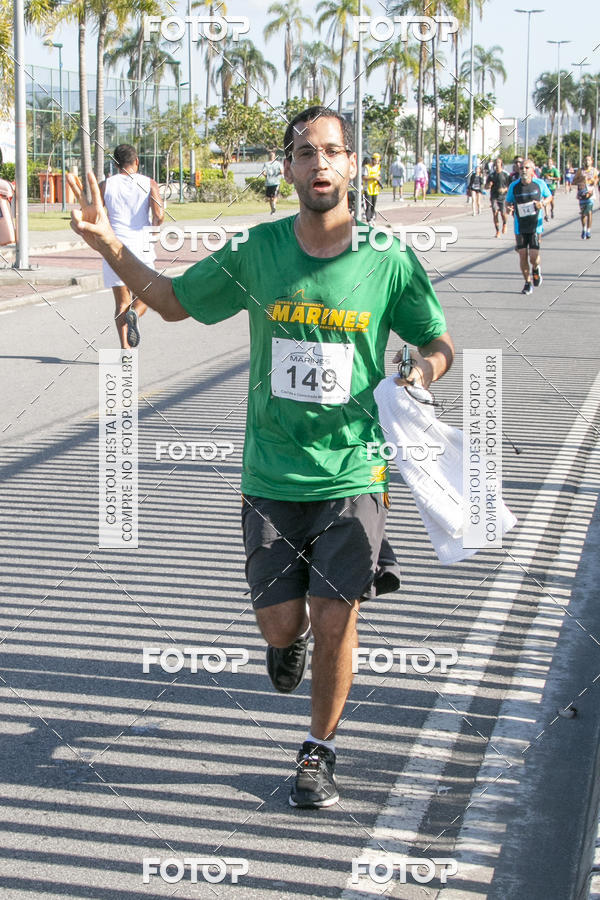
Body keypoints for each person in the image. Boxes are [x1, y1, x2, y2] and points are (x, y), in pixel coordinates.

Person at [67, 106, 454, 810]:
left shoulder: (388, 257)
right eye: (305, 153)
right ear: (288, 169)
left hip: (354, 470)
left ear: (352, 165)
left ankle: (319, 749)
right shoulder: (258, 250)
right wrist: (106, 245)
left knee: (337, 616)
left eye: (333, 151)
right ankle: (285, 643)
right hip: (271, 474)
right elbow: (174, 301)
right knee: (285, 624)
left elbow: (437, 340)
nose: (320, 164)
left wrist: (423, 370)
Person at [100, 144, 163, 348]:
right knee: (147, 295)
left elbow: (96, 216)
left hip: (114, 247)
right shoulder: (149, 183)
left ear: (116, 164)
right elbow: (159, 215)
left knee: (120, 302)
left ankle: (125, 351)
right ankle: (135, 313)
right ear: (136, 161)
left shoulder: (106, 185)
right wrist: (154, 228)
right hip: (141, 247)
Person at [505, 158, 552, 294]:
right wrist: (509, 209)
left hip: (535, 225)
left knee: (533, 257)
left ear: (532, 170)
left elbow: (549, 197)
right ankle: (527, 282)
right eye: (521, 168)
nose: (523, 170)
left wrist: (542, 203)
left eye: (526, 168)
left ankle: (536, 269)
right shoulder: (514, 186)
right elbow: (508, 202)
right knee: (522, 255)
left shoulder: (539, 184)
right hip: (520, 225)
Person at [573, 155, 599, 239]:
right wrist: (581, 179)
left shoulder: (594, 170)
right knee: (583, 213)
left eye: (588, 160)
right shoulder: (580, 170)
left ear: (591, 161)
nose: (587, 162)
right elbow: (574, 181)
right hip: (582, 193)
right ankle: (584, 229)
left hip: (590, 192)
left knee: (590, 212)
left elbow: (597, 179)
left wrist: (594, 182)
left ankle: (588, 231)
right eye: (586, 160)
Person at [486, 157, 511, 237]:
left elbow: (510, 186)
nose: (497, 164)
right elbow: (486, 187)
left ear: (501, 164)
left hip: (503, 197)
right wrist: (488, 185)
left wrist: (504, 189)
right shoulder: (491, 175)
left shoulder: (505, 174)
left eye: (499, 162)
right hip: (494, 196)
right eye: (496, 163)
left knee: (503, 213)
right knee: (495, 213)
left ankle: (505, 224)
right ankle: (497, 231)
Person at [261, 150, 283, 214]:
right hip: (275, 182)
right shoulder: (277, 163)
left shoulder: (267, 164)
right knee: (274, 196)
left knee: (271, 197)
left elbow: (263, 172)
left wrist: (267, 176)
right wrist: (277, 174)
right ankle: (273, 207)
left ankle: (273, 208)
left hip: (270, 182)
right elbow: (282, 171)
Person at [363, 152, 382, 222]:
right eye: (376, 160)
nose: (377, 162)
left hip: (375, 189)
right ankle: (368, 220)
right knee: (368, 205)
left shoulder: (378, 167)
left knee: (373, 205)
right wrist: (373, 178)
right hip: (368, 189)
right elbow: (364, 177)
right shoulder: (367, 167)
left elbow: (379, 176)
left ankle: (371, 217)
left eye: (378, 161)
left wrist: (378, 179)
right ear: (372, 160)